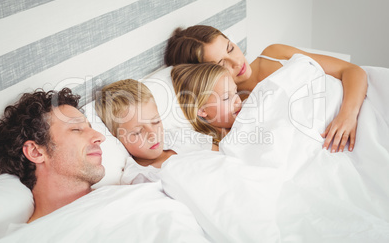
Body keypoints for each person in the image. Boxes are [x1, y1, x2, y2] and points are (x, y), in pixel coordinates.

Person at [164, 25, 368, 153]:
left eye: (230, 48)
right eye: (221, 64)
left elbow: (352, 70)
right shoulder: (233, 111)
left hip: (358, 105)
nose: (236, 61)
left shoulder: (273, 53)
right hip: (333, 141)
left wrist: (347, 115)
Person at [0, 88, 106, 223]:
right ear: (35, 152)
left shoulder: (127, 197)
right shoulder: (30, 237)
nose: (100, 137)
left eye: (90, 127)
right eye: (76, 129)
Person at [95, 79, 215, 184]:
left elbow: (224, 157)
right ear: (115, 135)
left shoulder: (181, 137)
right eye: (138, 132)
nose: (153, 135)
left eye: (156, 122)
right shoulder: (139, 177)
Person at [171, 63, 241, 146]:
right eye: (226, 98)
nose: (238, 101)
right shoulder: (211, 145)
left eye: (236, 92)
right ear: (202, 110)